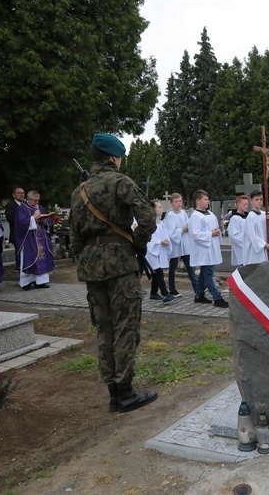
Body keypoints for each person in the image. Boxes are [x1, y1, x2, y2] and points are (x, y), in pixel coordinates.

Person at [69, 133, 158, 413]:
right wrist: (138, 244)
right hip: (120, 265)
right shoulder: (121, 182)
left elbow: (74, 238)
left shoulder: (78, 191)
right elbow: (147, 217)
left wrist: (86, 259)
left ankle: (113, 393)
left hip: (92, 268)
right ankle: (125, 392)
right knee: (126, 327)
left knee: (104, 329)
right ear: (114, 157)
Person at [188, 189, 228, 308]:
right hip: (203, 250)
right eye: (205, 199)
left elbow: (215, 226)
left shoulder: (210, 214)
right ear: (198, 201)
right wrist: (211, 233)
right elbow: (196, 234)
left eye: (208, 199)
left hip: (211, 247)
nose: (207, 202)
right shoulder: (195, 216)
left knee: (204, 273)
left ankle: (199, 295)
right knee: (209, 273)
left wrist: (217, 231)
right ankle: (217, 297)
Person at [14, 190, 54, 290]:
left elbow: (47, 220)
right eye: (35, 201)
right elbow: (20, 224)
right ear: (28, 199)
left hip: (41, 238)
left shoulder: (40, 208)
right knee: (29, 259)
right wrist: (33, 218)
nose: (37, 203)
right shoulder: (22, 209)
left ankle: (41, 282)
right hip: (29, 240)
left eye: (38, 200)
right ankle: (27, 283)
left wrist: (45, 221)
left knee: (42, 258)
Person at [163, 192, 197, 296]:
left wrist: (188, 228)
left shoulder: (183, 213)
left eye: (180, 201)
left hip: (185, 244)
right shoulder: (170, 215)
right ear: (171, 203)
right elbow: (171, 232)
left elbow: (188, 224)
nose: (179, 203)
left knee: (190, 266)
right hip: (176, 245)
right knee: (172, 267)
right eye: (176, 201)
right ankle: (172, 289)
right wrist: (182, 230)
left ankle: (196, 287)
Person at [146, 201, 175, 303]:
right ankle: (165, 294)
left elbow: (165, 234)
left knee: (156, 272)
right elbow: (149, 240)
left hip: (159, 250)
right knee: (158, 272)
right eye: (159, 207)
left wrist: (166, 240)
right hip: (151, 252)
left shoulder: (160, 223)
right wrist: (159, 241)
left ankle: (153, 293)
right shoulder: (149, 224)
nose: (162, 209)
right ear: (153, 210)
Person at [243, 189, 269, 265]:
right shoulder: (251, 216)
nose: (259, 201)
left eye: (261, 199)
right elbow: (252, 235)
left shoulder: (264, 214)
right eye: (256, 199)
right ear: (251, 201)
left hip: (267, 245)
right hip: (257, 249)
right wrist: (264, 244)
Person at [227, 195, 249, 267]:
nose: (246, 206)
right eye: (244, 204)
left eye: (247, 204)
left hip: (250, 249)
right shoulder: (235, 218)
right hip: (242, 249)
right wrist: (248, 241)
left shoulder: (249, 217)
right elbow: (234, 236)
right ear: (238, 204)